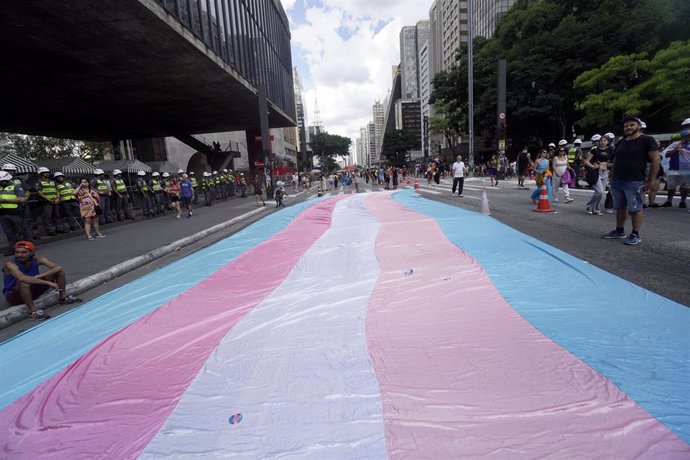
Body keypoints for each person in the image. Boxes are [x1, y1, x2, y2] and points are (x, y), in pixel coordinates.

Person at [602, 115, 660, 245]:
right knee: (620, 207)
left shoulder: (647, 140)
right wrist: (612, 176)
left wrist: (651, 180)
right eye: (626, 126)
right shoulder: (622, 142)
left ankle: (635, 234)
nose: (628, 127)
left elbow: (656, 159)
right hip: (618, 180)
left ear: (639, 126)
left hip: (635, 180)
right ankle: (619, 230)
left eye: (632, 125)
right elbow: (616, 159)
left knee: (635, 207)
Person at [3, 240, 82, 321]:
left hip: (31, 289)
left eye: (24, 252)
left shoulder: (37, 259)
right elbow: (22, 278)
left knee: (59, 272)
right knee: (24, 283)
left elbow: (58, 267)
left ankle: (63, 297)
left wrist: (39, 276)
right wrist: (47, 282)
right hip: (14, 296)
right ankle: (33, 312)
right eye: (17, 252)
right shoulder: (10, 264)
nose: (19, 255)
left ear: (31, 253)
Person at [0, 171, 33, 256]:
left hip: (16, 213)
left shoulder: (16, 187)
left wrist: (5, 200)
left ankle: (30, 247)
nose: (1, 182)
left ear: (7, 180)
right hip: (3, 214)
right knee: (9, 233)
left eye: (2, 181)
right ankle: (13, 248)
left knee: (24, 230)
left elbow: (21, 199)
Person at [660, 127, 690, 209]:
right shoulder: (674, 144)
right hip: (674, 168)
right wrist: (676, 149)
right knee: (671, 186)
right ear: (682, 137)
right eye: (687, 136)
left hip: (687, 169)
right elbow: (666, 155)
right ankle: (669, 201)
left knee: (685, 186)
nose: (688, 137)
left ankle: (683, 201)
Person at [583, 135, 612, 215]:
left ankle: (596, 209)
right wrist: (593, 166)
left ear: (608, 142)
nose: (602, 142)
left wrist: (608, 165)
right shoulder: (595, 150)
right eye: (601, 140)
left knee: (601, 192)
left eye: (604, 140)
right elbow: (586, 161)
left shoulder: (609, 151)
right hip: (596, 172)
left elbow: (611, 162)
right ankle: (589, 206)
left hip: (605, 172)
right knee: (599, 191)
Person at [36, 166, 61, 236]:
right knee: (48, 217)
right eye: (45, 173)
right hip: (46, 202)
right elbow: (39, 192)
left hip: (55, 201)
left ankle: (58, 229)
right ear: (41, 174)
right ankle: (51, 230)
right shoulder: (39, 182)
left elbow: (57, 190)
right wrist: (48, 199)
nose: (47, 174)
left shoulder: (53, 181)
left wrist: (58, 198)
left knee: (57, 216)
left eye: (48, 172)